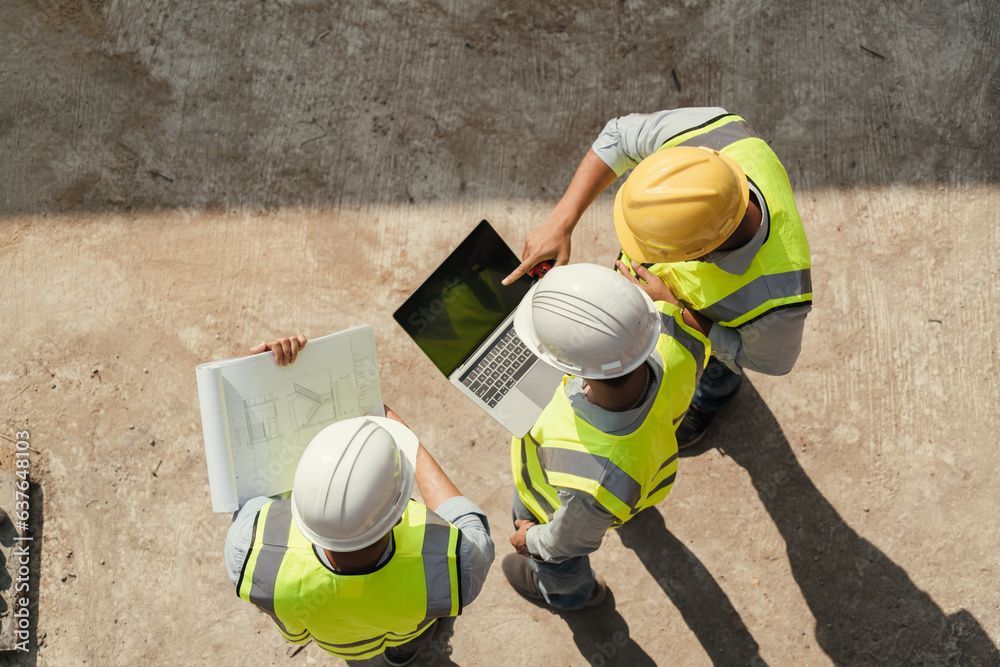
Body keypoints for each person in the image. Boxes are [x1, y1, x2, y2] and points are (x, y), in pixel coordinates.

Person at [503, 108, 812, 447]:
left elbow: (766, 361)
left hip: (706, 325)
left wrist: (677, 311)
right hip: (671, 293)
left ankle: (708, 401)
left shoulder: (779, 301)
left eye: (655, 249)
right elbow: (619, 137)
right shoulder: (714, 133)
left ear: (700, 255)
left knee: (715, 373)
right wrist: (560, 222)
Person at [225, 336, 495, 665]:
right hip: (408, 631)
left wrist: (259, 378)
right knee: (411, 645)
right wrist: (404, 434)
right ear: (400, 515)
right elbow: (469, 524)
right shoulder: (453, 563)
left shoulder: (252, 553)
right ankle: (402, 658)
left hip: (345, 646)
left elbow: (247, 481)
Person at [502, 264, 709, 610]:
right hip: (641, 473)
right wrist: (667, 308)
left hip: (548, 507)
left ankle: (573, 595)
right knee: (611, 501)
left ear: (569, 370)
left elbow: (568, 541)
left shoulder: (594, 480)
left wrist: (533, 541)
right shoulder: (680, 345)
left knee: (561, 564)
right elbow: (688, 332)